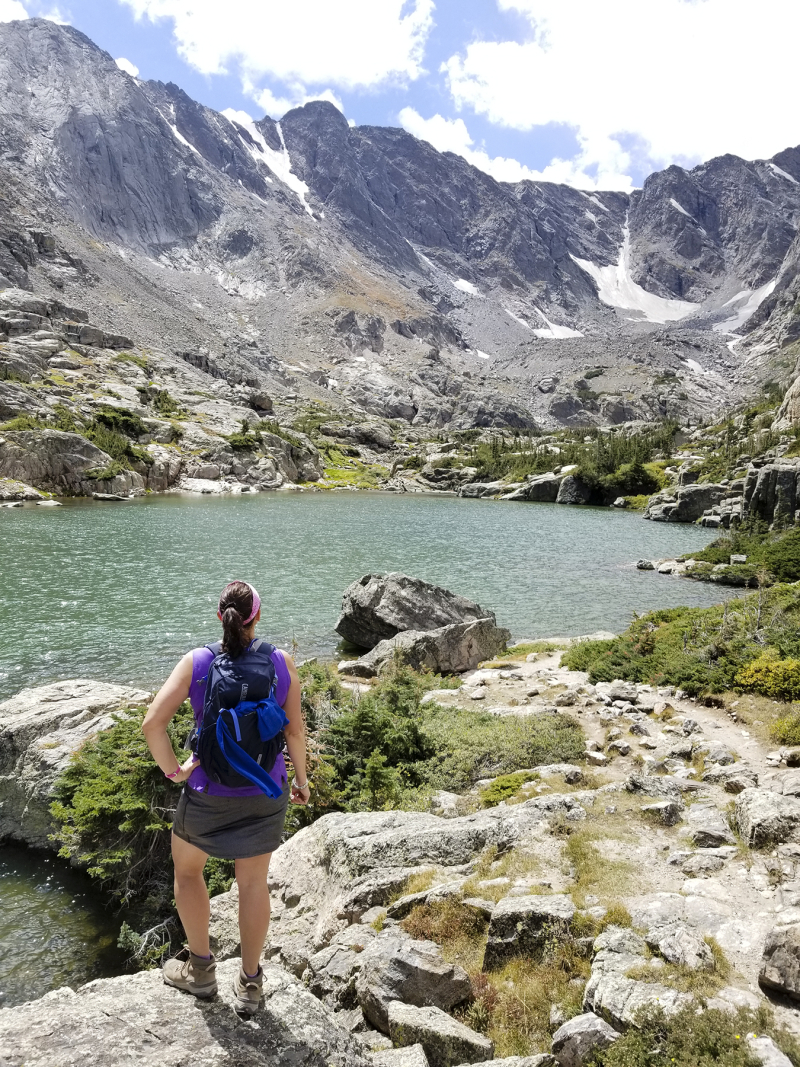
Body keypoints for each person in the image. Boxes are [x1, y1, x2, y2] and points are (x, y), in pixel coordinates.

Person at [142, 580, 310, 1013]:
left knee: (187, 872)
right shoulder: (280, 661)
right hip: (265, 788)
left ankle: (200, 971)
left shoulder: (198, 661)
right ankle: (251, 984)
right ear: (257, 616)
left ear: (221, 616)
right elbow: (293, 730)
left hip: (206, 792)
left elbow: (152, 724)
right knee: (252, 884)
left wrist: (174, 771)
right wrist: (302, 780)